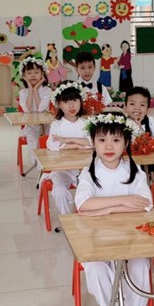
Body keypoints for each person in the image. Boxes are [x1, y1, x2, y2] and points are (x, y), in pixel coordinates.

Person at [74, 112, 153, 306]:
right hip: (96, 238)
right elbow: (83, 204)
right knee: (97, 268)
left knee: (139, 265)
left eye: (116, 140)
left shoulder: (134, 171)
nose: (109, 146)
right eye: (102, 140)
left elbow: (146, 204)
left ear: (126, 143)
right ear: (93, 142)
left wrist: (107, 209)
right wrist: (123, 201)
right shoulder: (89, 173)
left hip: (131, 237)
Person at [44, 82, 92, 225]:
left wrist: (68, 141)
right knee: (59, 190)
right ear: (59, 104)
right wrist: (78, 145)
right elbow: (52, 145)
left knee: (94, 189)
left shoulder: (86, 123)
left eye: (75, 100)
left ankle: (88, 217)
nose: (71, 105)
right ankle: (67, 220)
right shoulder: (56, 125)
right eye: (65, 102)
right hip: (62, 170)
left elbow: (93, 143)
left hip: (85, 169)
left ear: (81, 101)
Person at [125, 86, 154, 183]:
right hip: (129, 163)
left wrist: (147, 140)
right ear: (125, 108)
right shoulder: (122, 123)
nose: (137, 108)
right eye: (132, 104)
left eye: (142, 105)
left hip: (149, 161)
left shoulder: (149, 122)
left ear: (148, 110)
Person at [17, 55, 50, 173]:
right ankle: (38, 165)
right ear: (24, 75)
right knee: (33, 140)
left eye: (36, 72)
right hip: (31, 126)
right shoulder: (23, 92)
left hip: (46, 125)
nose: (33, 75)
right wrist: (31, 90)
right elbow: (27, 109)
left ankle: (48, 164)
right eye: (29, 73)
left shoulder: (47, 90)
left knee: (49, 141)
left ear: (42, 74)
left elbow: (41, 109)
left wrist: (36, 89)